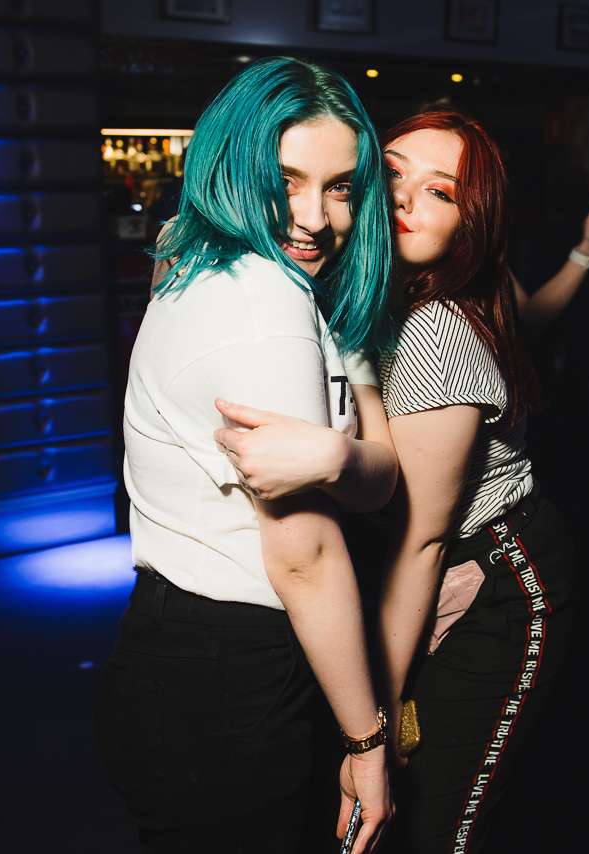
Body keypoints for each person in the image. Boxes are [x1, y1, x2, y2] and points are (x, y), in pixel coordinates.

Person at [215, 110, 589, 854]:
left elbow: (422, 540)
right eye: (392, 174)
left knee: (436, 822)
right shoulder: (365, 288)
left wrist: (375, 727)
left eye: (440, 191)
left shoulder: (435, 329)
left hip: (495, 578)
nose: (403, 199)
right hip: (428, 562)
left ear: (470, 227)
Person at [95, 57, 398, 853]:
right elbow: (307, 555)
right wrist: (368, 742)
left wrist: (336, 457)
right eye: (285, 181)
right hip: (225, 674)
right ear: (234, 166)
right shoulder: (262, 300)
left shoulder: (216, 265)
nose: (315, 217)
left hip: (191, 657)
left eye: (340, 187)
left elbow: (377, 477)